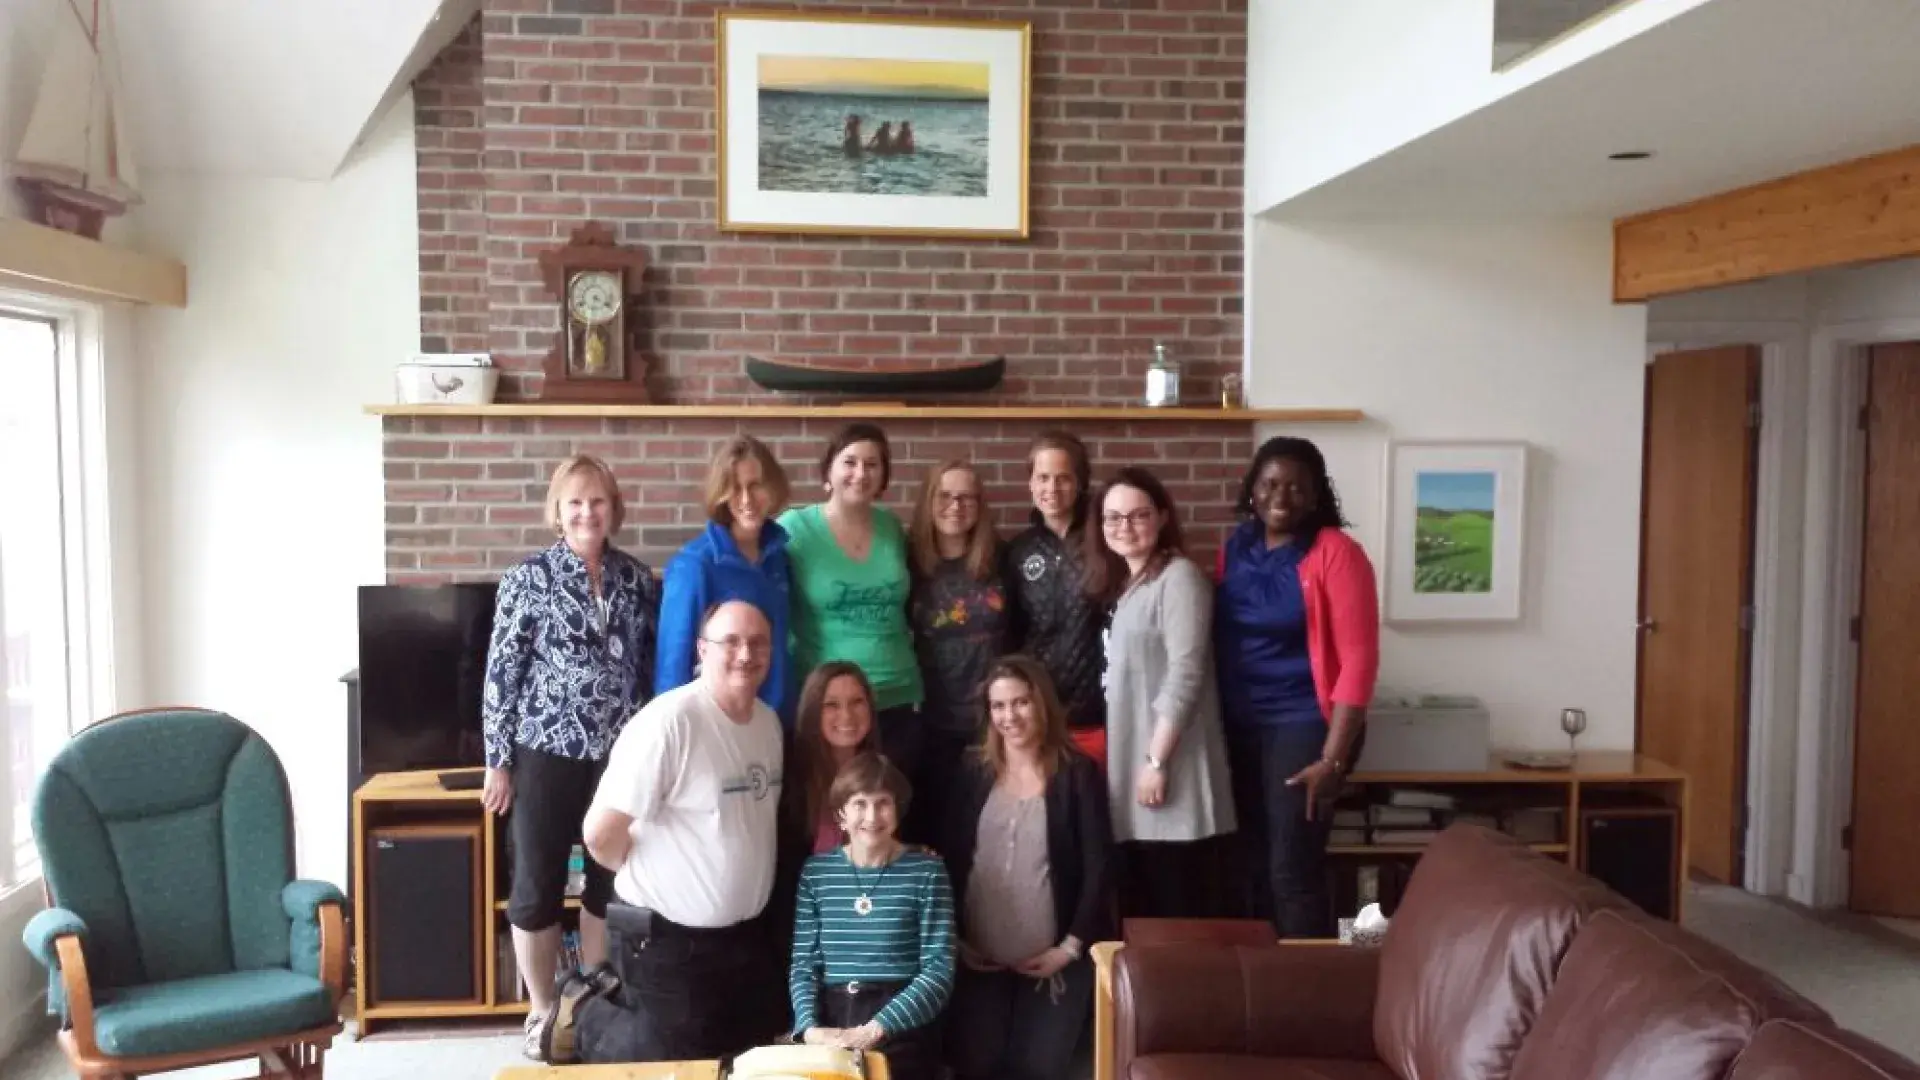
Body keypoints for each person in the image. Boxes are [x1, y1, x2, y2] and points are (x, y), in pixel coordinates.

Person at [546, 600, 787, 1065]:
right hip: (666, 941)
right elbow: (599, 835)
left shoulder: (768, 724)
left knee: (751, 1053)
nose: (745, 654)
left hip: (743, 940)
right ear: (702, 649)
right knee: (675, 1063)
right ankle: (589, 1016)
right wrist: (650, 872)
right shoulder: (670, 721)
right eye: (730, 641)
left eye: (757, 643)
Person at [481, 454, 659, 1060]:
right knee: (537, 880)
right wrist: (497, 760)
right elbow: (502, 672)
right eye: (575, 502)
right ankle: (540, 1011)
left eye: (598, 501)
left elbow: (648, 667)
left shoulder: (637, 579)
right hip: (544, 751)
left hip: (619, 756)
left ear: (614, 510)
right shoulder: (527, 579)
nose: (588, 512)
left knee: (608, 882)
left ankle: (592, 1001)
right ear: (558, 512)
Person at [1216, 436, 1379, 938]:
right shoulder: (1235, 548)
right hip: (1240, 723)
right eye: (1269, 484)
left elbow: (1359, 660)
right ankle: (1256, 989)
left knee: (1292, 867)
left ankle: (1307, 991)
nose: (1280, 496)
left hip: (1304, 724)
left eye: (1295, 487)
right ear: (1252, 490)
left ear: (1315, 496)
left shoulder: (1338, 553)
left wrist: (1333, 759)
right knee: (1249, 863)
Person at [942, 657, 1113, 1080]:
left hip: (1055, 964)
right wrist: (957, 939)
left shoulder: (1077, 774)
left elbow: (1100, 868)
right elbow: (947, 856)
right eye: (999, 706)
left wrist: (1069, 949)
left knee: (1038, 1069)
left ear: (1041, 704)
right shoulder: (971, 770)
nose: (1009, 716)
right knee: (977, 1066)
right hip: (979, 961)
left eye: (1020, 703)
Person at [1086, 467, 1236, 919]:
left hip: (1173, 771)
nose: (1124, 527)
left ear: (1163, 516)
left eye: (1137, 515)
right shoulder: (1130, 584)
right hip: (1137, 769)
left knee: (1176, 917)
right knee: (1144, 913)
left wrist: (1156, 761)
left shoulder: (1179, 579)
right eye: (1113, 518)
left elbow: (1185, 673)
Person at [778, 424, 927, 832]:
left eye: (872, 464)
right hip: (831, 709)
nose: (860, 473)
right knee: (830, 827)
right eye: (850, 462)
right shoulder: (796, 529)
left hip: (899, 698)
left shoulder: (892, 528)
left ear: (883, 477)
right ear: (828, 471)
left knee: (893, 825)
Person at [789, 753, 955, 1080]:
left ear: (897, 809)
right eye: (860, 804)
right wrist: (809, 1028)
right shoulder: (816, 873)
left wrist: (877, 1027)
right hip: (831, 1016)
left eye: (883, 803)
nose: (872, 815)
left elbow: (939, 970)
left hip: (901, 1019)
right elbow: (804, 964)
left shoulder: (927, 871)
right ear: (841, 814)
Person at [656, 435, 795, 722]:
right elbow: (673, 664)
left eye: (755, 485)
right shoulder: (694, 565)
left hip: (776, 722)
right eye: (735, 489)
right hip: (716, 725)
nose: (746, 500)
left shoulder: (779, 558)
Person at [907, 460, 1007, 842]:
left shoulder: (1002, 559)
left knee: (982, 835)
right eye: (945, 496)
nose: (956, 505)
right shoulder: (908, 562)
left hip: (992, 724)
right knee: (933, 833)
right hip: (930, 723)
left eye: (967, 497)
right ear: (929, 501)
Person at [1005, 431, 1108, 764]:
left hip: (1101, 712)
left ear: (1080, 483)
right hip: (1039, 713)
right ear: (1030, 484)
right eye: (1043, 478)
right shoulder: (1018, 552)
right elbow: (1012, 632)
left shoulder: (1105, 541)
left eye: (1063, 478)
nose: (1052, 488)